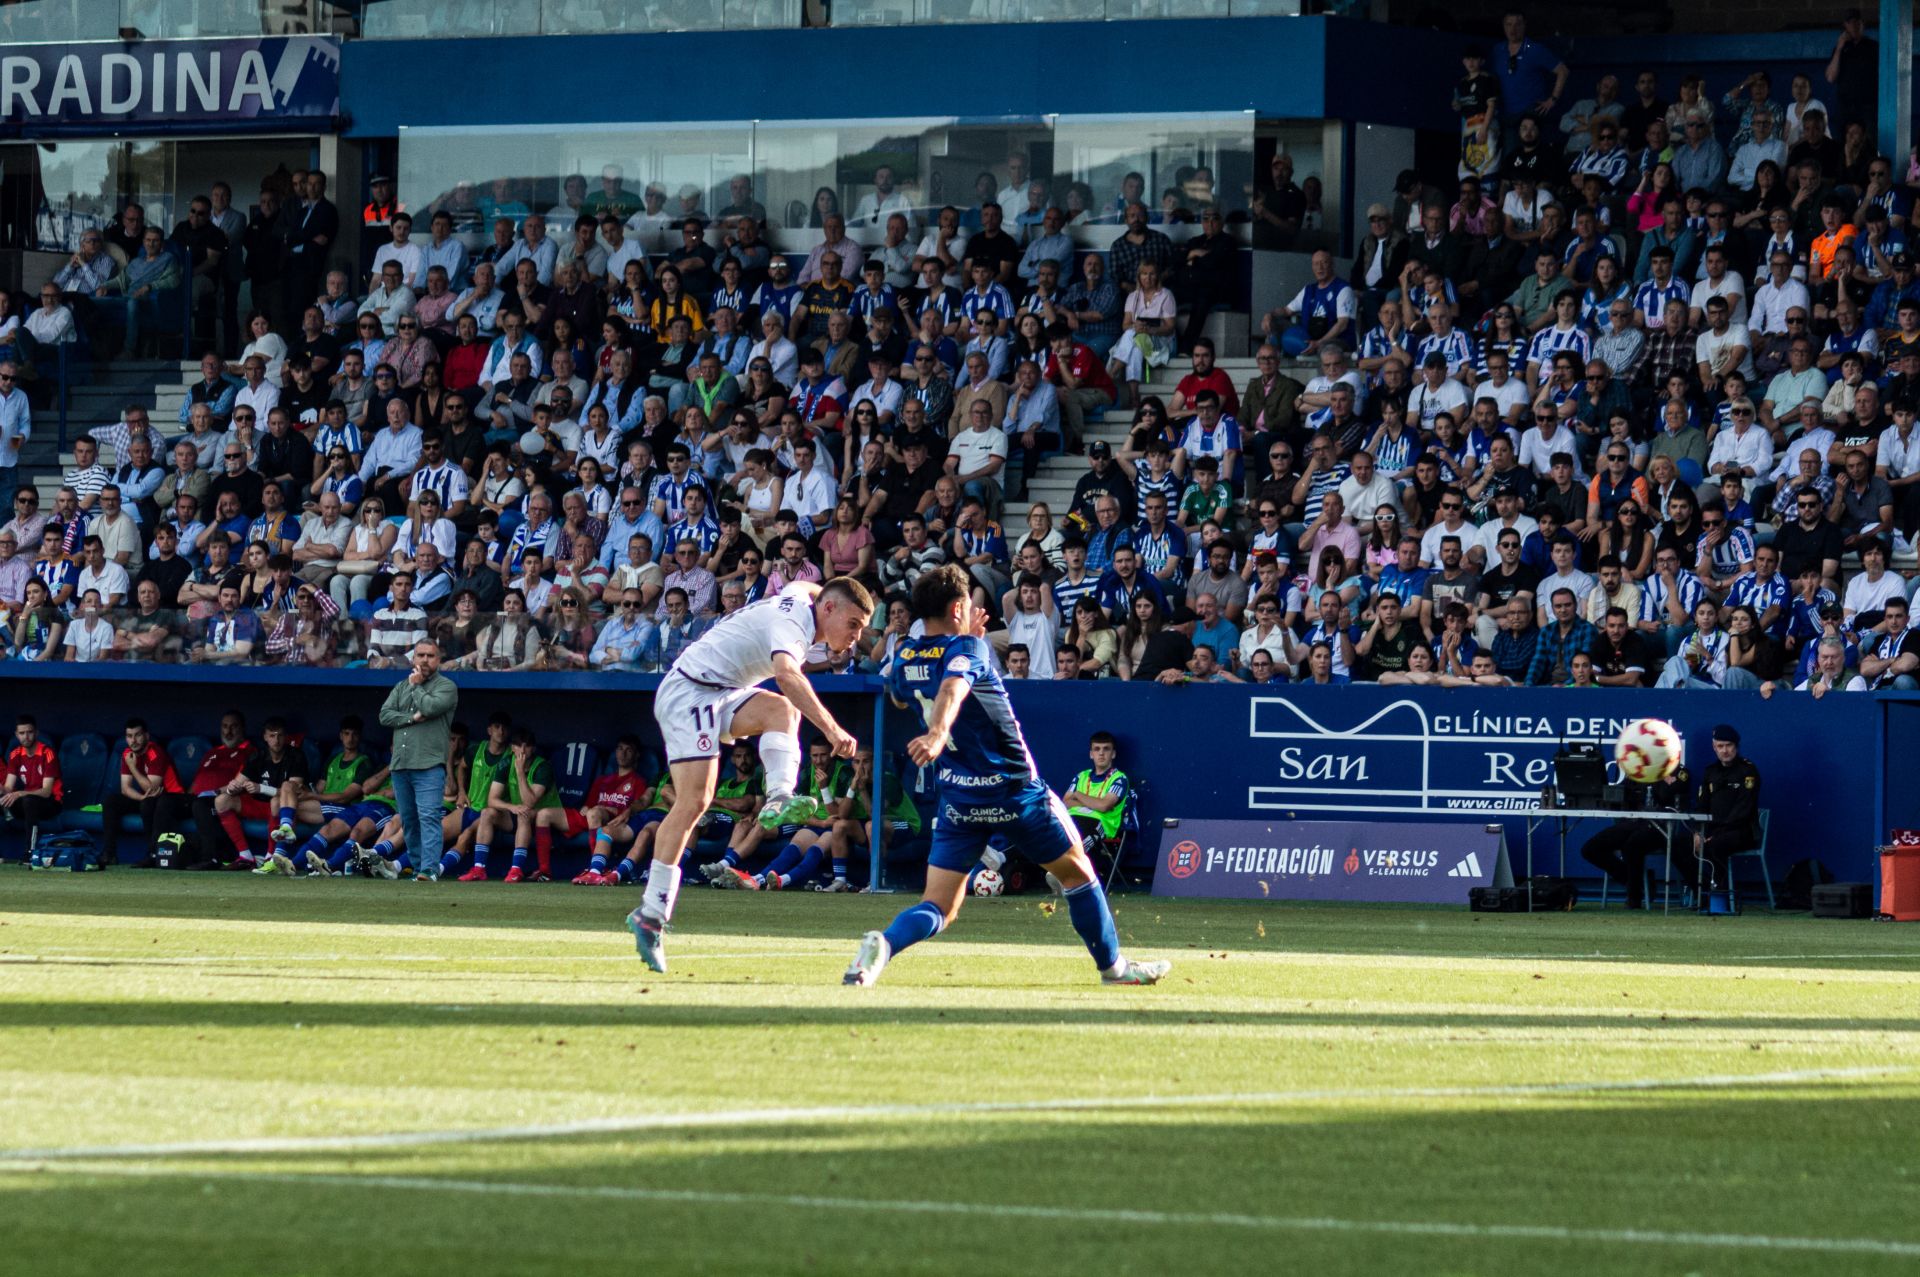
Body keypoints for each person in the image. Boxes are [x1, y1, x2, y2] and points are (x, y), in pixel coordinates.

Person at [844, 564, 1168, 988]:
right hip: (1016, 793)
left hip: (960, 801)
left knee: (940, 905)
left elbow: (905, 696)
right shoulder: (971, 651)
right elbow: (952, 688)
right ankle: (1114, 969)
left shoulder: (905, 655)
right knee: (1078, 875)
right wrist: (940, 731)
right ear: (960, 606)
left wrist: (957, 654)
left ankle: (883, 946)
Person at [624, 579, 873, 973]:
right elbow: (788, 677)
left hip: (721, 690)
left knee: (782, 713)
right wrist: (832, 728)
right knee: (693, 802)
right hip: (690, 691)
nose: (857, 635)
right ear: (829, 610)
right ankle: (651, 913)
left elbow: (801, 584)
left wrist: (825, 589)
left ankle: (778, 797)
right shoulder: (793, 629)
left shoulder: (800, 601)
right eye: (854, 623)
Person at [376, 638, 457, 879]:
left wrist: (417, 687)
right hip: (401, 763)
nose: (424, 660)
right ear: (413, 659)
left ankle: (429, 870)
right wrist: (411, 718)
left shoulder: (446, 686)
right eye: (420, 655)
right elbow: (384, 715)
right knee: (409, 820)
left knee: (429, 817)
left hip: (429, 764)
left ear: (438, 660)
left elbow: (430, 708)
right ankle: (419, 865)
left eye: (430, 656)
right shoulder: (401, 685)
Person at [1683, 724, 1762, 908]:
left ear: (1736, 746)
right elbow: (1701, 806)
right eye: (1720, 746)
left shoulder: (1748, 771)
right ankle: (1700, 893)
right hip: (1712, 831)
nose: (1725, 751)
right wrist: (1696, 832)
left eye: (1728, 745)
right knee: (1680, 846)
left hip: (1742, 831)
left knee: (1715, 845)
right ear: (1714, 748)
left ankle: (1719, 897)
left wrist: (1713, 835)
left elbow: (1743, 811)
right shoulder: (1710, 772)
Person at [98, 716, 185, 866]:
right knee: (111, 801)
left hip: (171, 799)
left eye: (138, 735)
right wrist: (140, 798)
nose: (134, 740)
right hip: (149, 798)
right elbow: (125, 789)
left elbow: (152, 788)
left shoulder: (155, 753)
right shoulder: (127, 754)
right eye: (129, 736)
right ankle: (109, 853)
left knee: (148, 803)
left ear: (146, 736)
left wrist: (132, 767)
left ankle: (152, 854)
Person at [1, 714, 62, 846]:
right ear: (16, 735)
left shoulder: (48, 753)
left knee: (29, 801)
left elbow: (46, 792)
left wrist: (20, 793)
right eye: (22, 733)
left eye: (29, 732)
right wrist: (1, 789)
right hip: (27, 803)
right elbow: (8, 788)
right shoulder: (15, 754)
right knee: (10, 800)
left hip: (50, 803)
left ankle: (29, 852)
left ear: (36, 733)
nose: (26, 737)